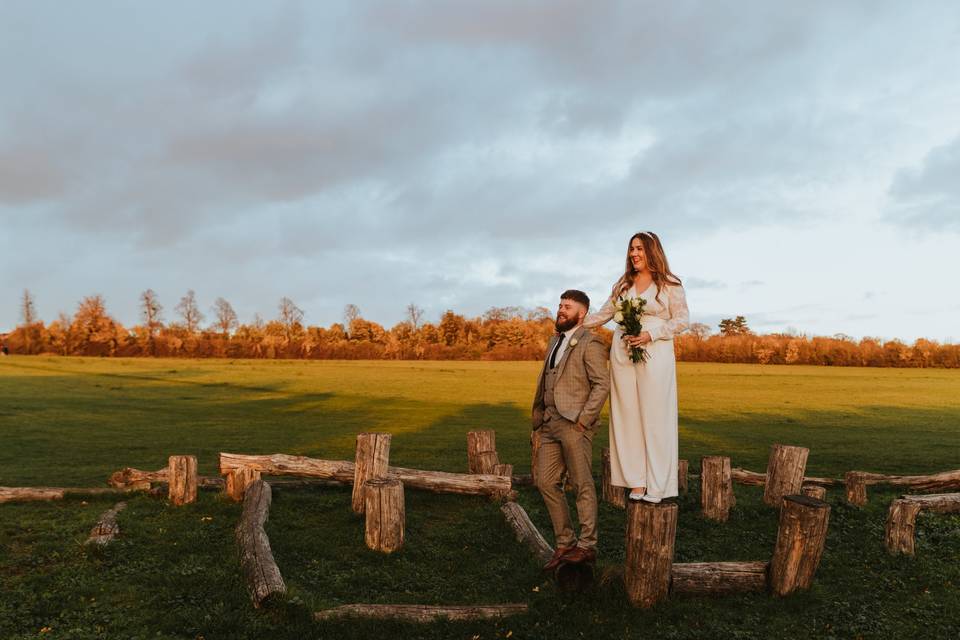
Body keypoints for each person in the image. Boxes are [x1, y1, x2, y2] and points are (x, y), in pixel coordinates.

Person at [583, 231, 689, 503]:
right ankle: (637, 481)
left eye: (639, 248)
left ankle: (659, 484)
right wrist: (574, 323)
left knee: (655, 417)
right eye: (631, 249)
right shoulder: (623, 284)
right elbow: (605, 314)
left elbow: (682, 320)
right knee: (626, 415)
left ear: (652, 251)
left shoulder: (669, 284)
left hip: (655, 352)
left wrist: (651, 335)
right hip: (622, 352)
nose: (633, 254)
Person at [531, 289, 611, 570]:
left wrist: (584, 420)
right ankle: (565, 542)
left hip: (575, 425)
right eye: (560, 305)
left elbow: (602, 384)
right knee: (544, 481)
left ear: (582, 313)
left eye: (568, 306)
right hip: (550, 423)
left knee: (581, 484)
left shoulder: (591, 343)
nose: (561, 310)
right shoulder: (555, 340)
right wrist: (539, 416)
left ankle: (587, 545)